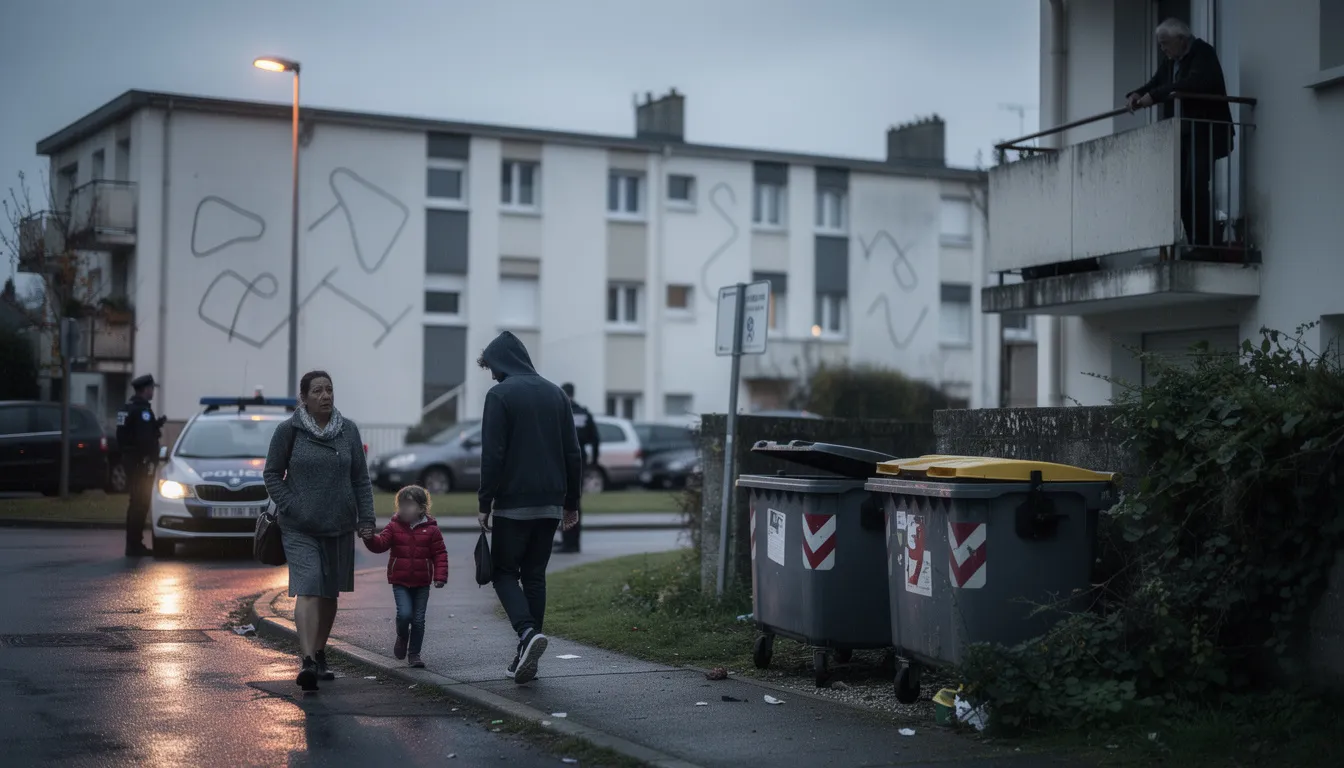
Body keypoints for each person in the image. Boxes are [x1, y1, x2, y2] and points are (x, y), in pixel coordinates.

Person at [474, 331, 581, 685]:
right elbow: (573, 453)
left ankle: (526, 633)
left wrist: (485, 503)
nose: (492, 375)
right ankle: (526, 656)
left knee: (504, 573)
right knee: (534, 576)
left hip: (514, 502)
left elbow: (493, 455)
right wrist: (571, 503)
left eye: (492, 367)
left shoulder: (500, 395)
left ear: (502, 362)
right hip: (550, 503)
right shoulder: (556, 394)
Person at [263, 370, 376, 691]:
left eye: (329, 389)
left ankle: (320, 651)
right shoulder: (288, 431)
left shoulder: (348, 430)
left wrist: (366, 519)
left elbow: (360, 479)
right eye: (317, 391)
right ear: (304, 398)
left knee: (329, 593)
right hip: (300, 527)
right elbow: (272, 474)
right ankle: (308, 660)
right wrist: (293, 506)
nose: (325, 395)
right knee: (309, 586)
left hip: (339, 525)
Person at [1126, 17, 1233, 254]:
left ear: (1181, 39)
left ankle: (1207, 244)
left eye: (1165, 43)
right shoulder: (1170, 61)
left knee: (1196, 186)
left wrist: (1155, 95)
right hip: (1183, 134)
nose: (1162, 48)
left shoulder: (1203, 52)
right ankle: (1197, 242)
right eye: (1160, 44)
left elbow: (1193, 83)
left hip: (1204, 131)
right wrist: (1137, 94)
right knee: (1181, 191)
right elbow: (1156, 83)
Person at [362, 485, 448, 669]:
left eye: (409, 505)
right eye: (401, 505)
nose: (404, 509)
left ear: (421, 508)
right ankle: (402, 635)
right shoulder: (394, 527)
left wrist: (440, 576)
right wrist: (369, 538)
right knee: (405, 614)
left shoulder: (432, 530)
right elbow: (380, 544)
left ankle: (414, 654)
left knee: (418, 620)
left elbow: (440, 553)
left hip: (422, 583)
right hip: (400, 582)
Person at [116, 374, 165, 557]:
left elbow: (126, 435)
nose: (153, 392)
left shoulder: (127, 408)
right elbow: (144, 440)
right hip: (141, 464)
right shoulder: (142, 411)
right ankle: (134, 545)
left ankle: (133, 543)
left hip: (130, 460)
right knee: (140, 502)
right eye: (151, 388)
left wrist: (155, 425)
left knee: (135, 501)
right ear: (145, 389)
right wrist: (149, 458)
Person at [555, 382, 599, 554]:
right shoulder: (584, 413)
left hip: (562, 461)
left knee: (563, 502)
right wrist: (593, 463)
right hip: (580, 462)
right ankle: (573, 541)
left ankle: (568, 542)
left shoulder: (560, 412)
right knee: (574, 502)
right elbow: (595, 439)